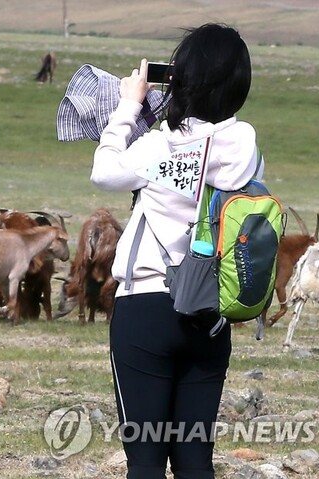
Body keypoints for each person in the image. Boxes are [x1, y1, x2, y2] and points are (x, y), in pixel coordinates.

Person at [90, 24, 259, 479]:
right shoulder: (245, 144)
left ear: (181, 79)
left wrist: (129, 105)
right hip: (211, 311)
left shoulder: (158, 144)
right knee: (194, 460)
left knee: (145, 460)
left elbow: (104, 173)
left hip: (145, 305)